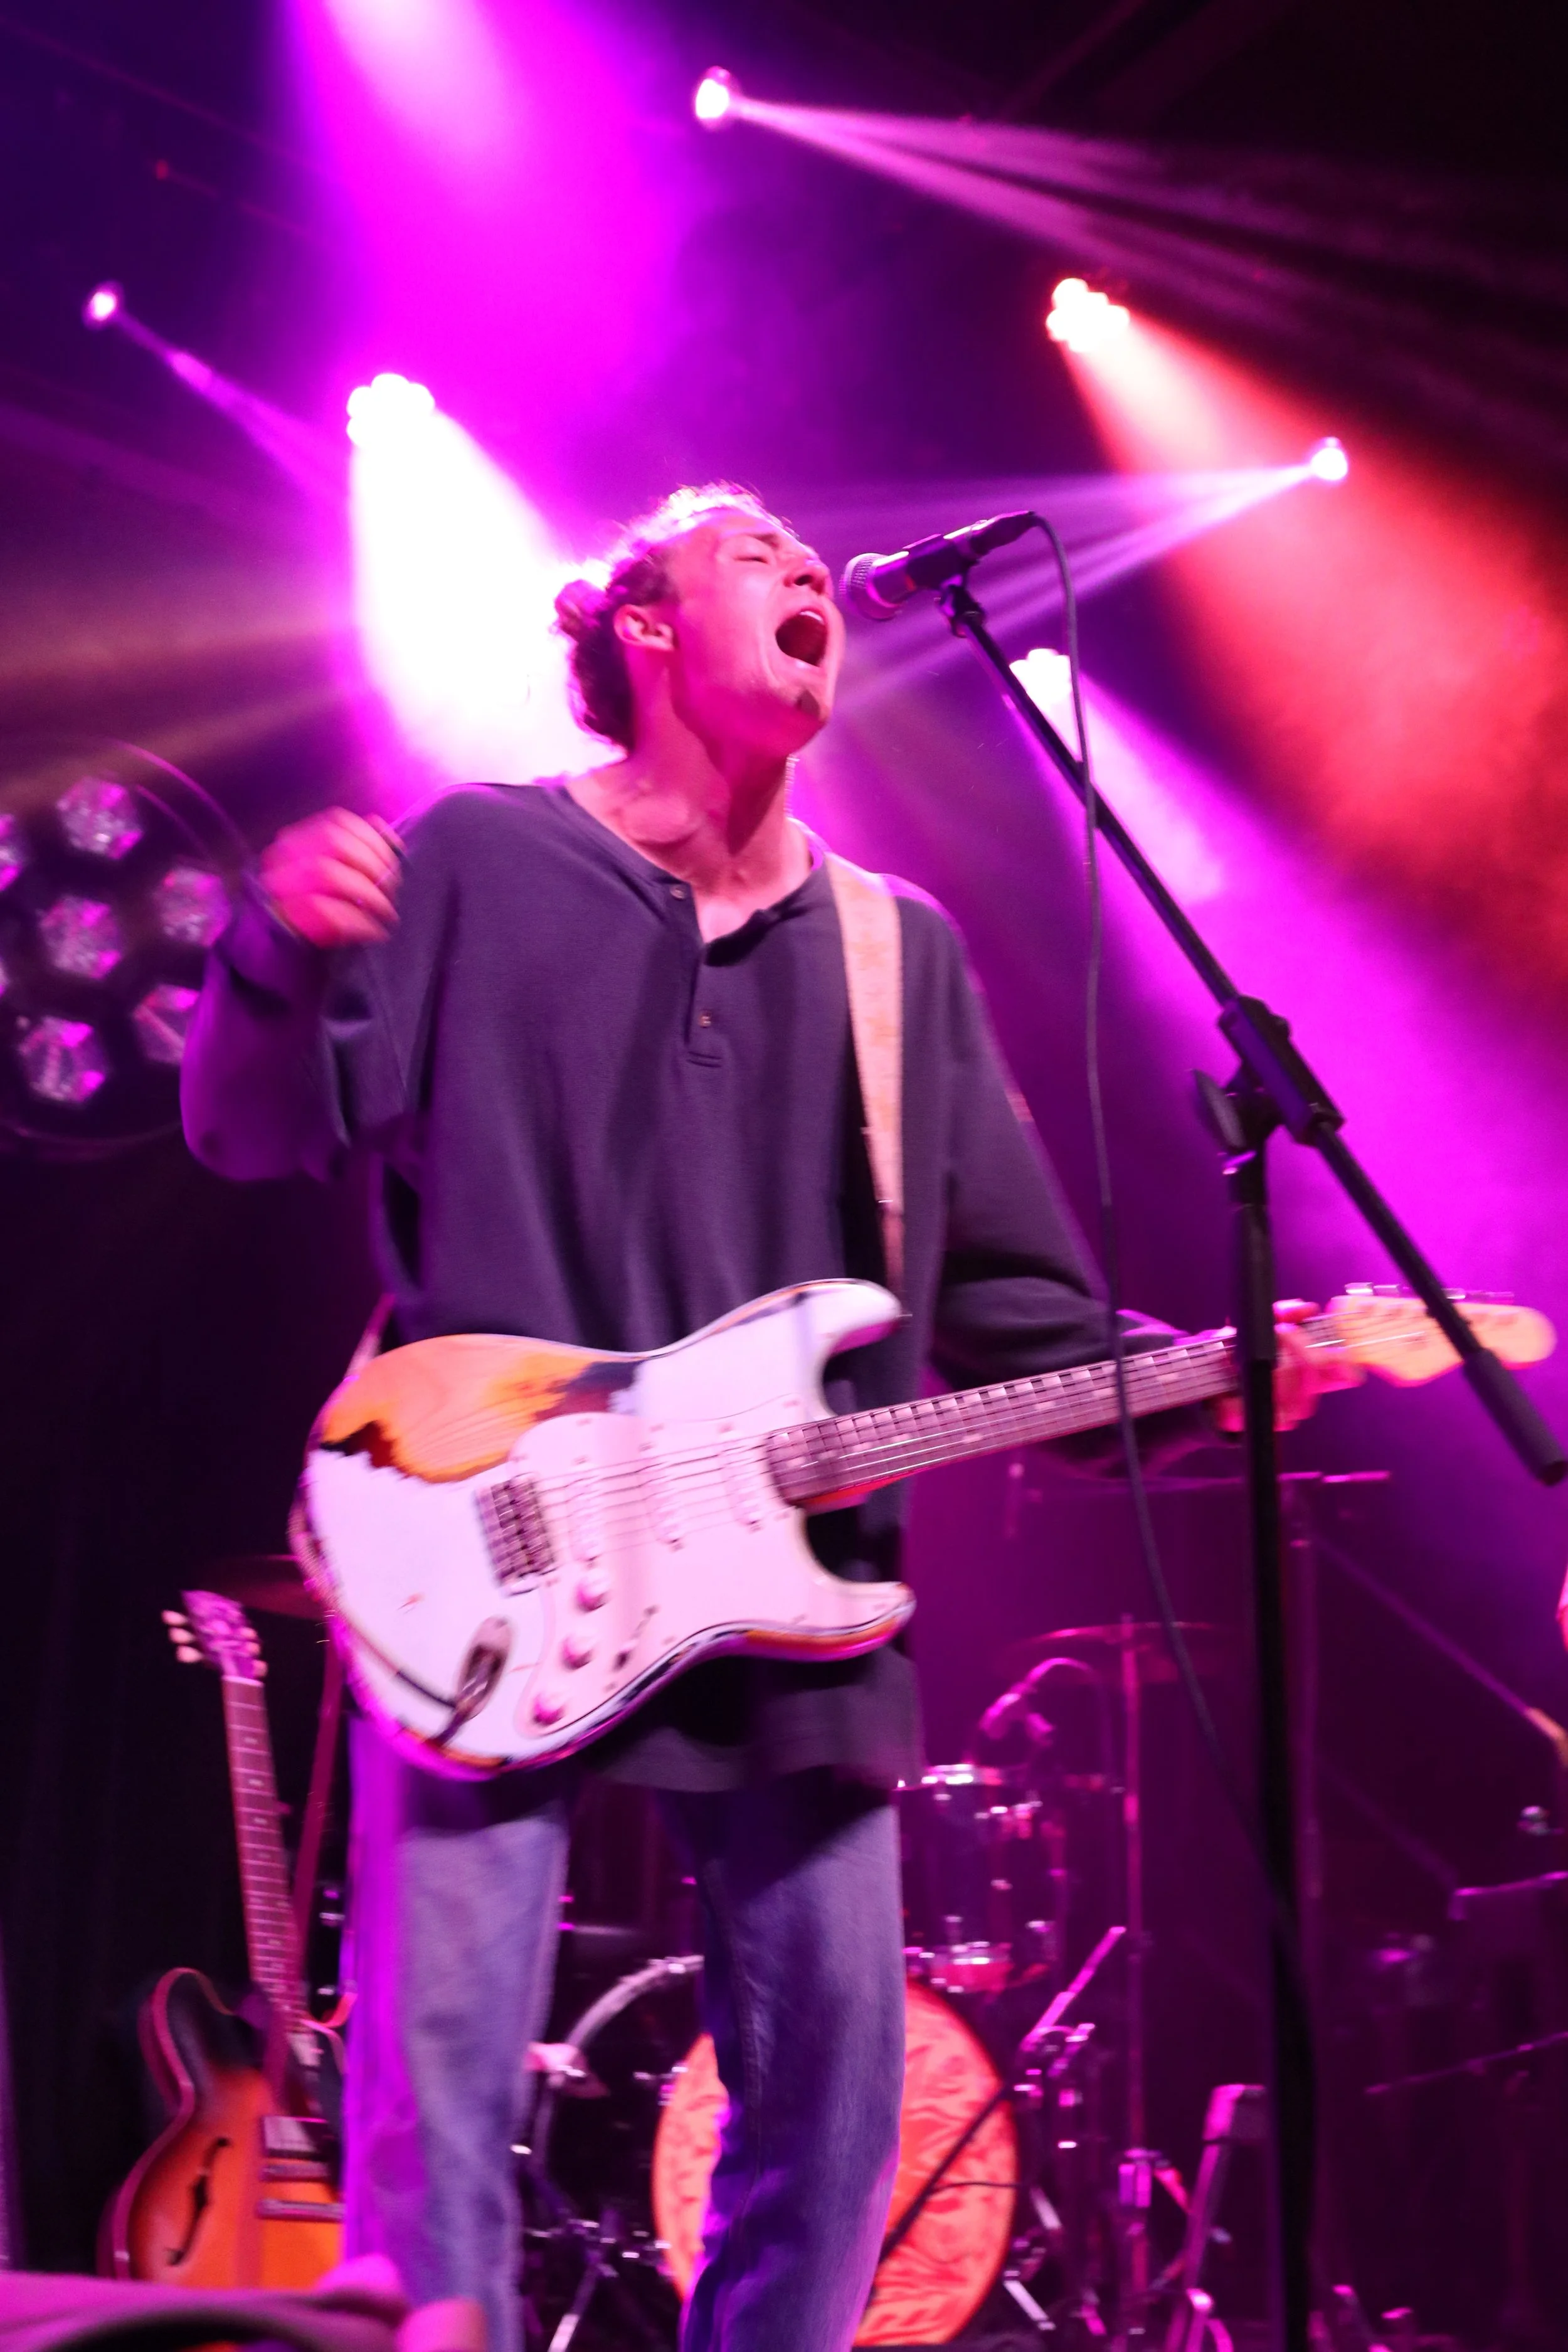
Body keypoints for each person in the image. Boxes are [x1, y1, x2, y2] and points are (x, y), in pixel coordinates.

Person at [181, 484, 1352, 2352]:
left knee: (832, 2123)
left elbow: (1020, 1323)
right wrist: (273, 949)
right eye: (757, 554)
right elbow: (253, 1125)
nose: (812, 572)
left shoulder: (900, 955)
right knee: (435, 2123)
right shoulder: (476, 860)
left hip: (791, 1600)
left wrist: (1220, 1370)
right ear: (641, 626)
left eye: (816, 561)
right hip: (491, 1542)